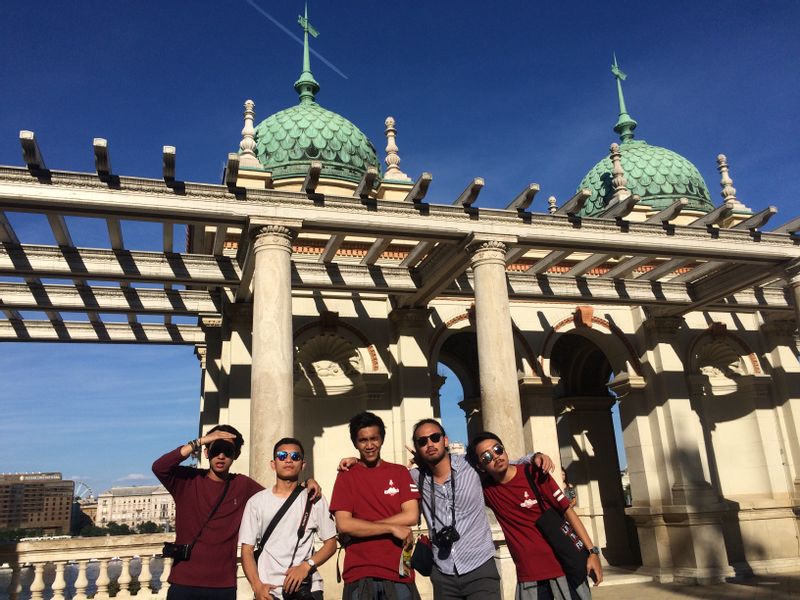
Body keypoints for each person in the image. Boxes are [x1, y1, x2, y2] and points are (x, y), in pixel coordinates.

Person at [407, 419, 554, 600]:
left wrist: (534, 457)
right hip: (442, 573)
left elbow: (506, 465)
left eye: (434, 437)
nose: (429, 444)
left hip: (480, 569)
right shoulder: (415, 477)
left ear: (445, 440)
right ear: (417, 447)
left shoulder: (470, 466)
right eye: (422, 441)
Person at [467, 432, 603, 600]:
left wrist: (592, 552)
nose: (496, 457)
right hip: (529, 575)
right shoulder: (486, 490)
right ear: (480, 466)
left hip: (564, 567)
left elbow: (567, 511)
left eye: (498, 449)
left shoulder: (533, 474)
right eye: (486, 456)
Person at [152, 425, 264, 600]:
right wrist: (200, 441)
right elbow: (159, 467)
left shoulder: (242, 485)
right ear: (206, 453)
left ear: (236, 455)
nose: (221, 456)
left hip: (223, 585)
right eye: (216, 449)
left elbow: (277, 498)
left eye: (227, 451)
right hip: (184, 582)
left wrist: (306, 483)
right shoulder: (188, 480)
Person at [330, 411, 421, 599]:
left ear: (382, 440)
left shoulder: (400, 472)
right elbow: (344, 525)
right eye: (363, 440)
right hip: (360, 572)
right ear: (355, 443)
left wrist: (362, 525)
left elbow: (411, 515)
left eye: (374, 439)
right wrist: (391, 527)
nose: (369, 445)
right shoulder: (346, 475)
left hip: (398, 572)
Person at [240, 437, 338, 600]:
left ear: (302, 465)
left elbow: (331, 543)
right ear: (273, 463)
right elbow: (247, 550)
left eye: (295, 456)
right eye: (282, 455)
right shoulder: (256, 502)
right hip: (268, 591)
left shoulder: (315, 498)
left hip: (307, 589)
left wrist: (307, 566)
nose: (288, 460)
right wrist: (257, 586)